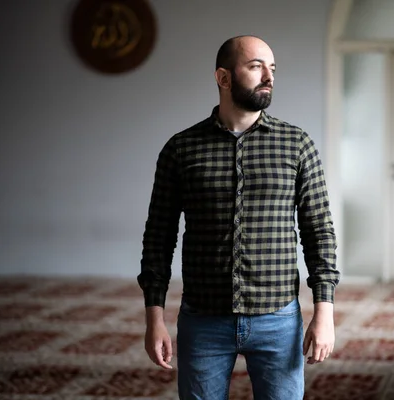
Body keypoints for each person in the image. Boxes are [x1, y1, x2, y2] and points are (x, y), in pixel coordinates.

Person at [137, 35, 340, 400]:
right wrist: (154, 319)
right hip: (203, 320)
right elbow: (158, 237)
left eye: (272, 68)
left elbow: (319, 232)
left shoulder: (297, 145)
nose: (269, 76)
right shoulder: (181, 149)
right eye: (255, 66)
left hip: (278, 318)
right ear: (224, 78)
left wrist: (324, 312)